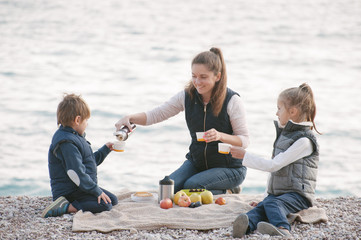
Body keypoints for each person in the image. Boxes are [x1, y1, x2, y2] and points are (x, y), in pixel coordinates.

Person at [115, 47, 249, 195]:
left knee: (191, 186)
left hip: (230, 168)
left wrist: (220, 136)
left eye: (203, 77)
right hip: (197, 163)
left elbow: (244, 140)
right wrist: (130, 118)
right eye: (194, 76)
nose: (197, 82)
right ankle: (215, 187)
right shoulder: (187, 96)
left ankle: (229, 189)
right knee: (166, 188)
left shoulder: (232, 100)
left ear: (217, 76)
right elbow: (156, 114)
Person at [231, 83, 321, 237]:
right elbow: (276, 173)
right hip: (280, 194)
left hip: (299, 195)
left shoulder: (304, 141)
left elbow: (273, 165)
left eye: (279, 108)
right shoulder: (286, 135)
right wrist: (265, 197)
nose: (276, 113)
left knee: (273, 203)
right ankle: (246, 225)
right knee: (262, 207)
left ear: (292, 111)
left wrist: (244, 155)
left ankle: (283, 229)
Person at [42, 93, 118, 218]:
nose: (87, 124)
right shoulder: (66, 143)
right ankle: (65, 206)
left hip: (79, 188)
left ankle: (77, 202)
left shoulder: (74, 137)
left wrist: (105, 150)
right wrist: (95, 190)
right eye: (86, 120)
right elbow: (76, 173)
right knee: (105, 205)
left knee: (112, 200)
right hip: (69, 192)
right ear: (77, 120)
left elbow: (88, 163)